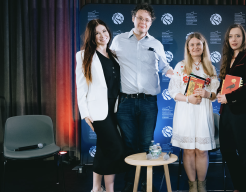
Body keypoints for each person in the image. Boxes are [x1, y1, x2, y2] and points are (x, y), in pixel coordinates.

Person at [109, 3, 173, 192]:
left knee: (146, 143)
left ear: (150, 23)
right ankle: (131, 182)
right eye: (140, 18)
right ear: (133, 19)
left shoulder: (156, 44)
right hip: (126, 101)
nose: (143, 22)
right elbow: (108, 64)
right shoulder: (118, 41)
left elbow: (165, 67)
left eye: (147, 19)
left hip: (148, 102)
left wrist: (177, 74)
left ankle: (146, 181)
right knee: (129, 144)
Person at [76, 19, 127, 192]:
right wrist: (85, 113)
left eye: (104, 31)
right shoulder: (84, 56)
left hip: (113, 110)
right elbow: (81, 87)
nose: (102, 35)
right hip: (97, 113)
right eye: (97, 33)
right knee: (115, 148)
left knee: (104, 149)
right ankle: (108, 189)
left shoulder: (114, 55)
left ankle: (97, 188)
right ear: (92, 36)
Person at [168, 32, 219, 192]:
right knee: (189, 150)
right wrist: (188, 99)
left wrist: (207, 94)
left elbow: (215, 94)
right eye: (192, 45)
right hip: (185, 111)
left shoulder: (210, 67)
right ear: (188, 48)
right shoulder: (181, 66)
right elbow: (173, 92)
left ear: (204, 47)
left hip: (203, 113)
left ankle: (201, 185)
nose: (195, 47)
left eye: (199, 44)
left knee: (202, 151)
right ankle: (192, 185)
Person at [216, 24, 246, 192]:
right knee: (226, 151)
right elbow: (226, 85)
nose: (234, 39)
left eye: (237, 36)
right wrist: (218, 93)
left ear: (243, 38)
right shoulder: (227, 59)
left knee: (245, 154)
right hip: (226, 112)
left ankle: (245, 188)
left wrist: (228, 97)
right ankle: (240, 185)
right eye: (231, 36)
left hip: (243, 112)